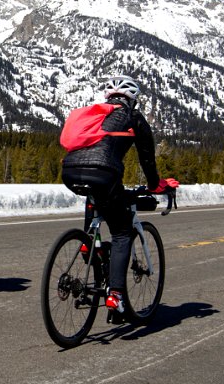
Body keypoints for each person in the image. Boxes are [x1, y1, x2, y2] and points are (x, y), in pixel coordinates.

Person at [60, 75, 160, 317]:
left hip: (70, 171)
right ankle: (116, 294)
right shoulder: (132, 117)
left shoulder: (96, 115)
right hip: (105, 173)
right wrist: (155, 184)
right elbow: (146, 156)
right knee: (123, 230)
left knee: (96, 195)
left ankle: (89, 245)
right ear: (133, 99)